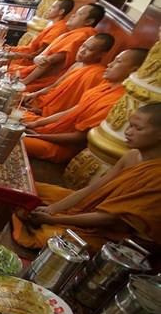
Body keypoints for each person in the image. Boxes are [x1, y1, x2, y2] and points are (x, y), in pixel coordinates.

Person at [12, 103, 161, 253]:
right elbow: (94, 189)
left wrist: (54, 219)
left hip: (115, 234)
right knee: (30, 188)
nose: (128, 132)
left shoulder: (156, 176)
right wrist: (52, 209)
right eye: (130, 126)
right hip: (92, 208)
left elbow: (110, 218)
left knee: (50, 237)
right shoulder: (132, 156)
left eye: (138, 128)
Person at [23, 48, 148, 163]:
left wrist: (39, 135)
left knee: (16, 139)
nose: (109, 65)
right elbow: (73, 110)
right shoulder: (104, 87)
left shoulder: (119, 102)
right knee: (10, 116)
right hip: (50, 129)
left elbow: (80, 137)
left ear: (134, 70)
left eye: (118, 62)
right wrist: (37, 124)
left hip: (60, 145)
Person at [14, 3, 106, 92]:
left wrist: (25, 81)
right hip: (35, 71)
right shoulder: (72, 33)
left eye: (79, 14)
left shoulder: (82, 36)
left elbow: (48, 61)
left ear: (89, 21)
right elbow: (41, 57)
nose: (72, 16)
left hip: (42, 80)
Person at [23, 33, 114, 119]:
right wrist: (35, 94)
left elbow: (78, 106)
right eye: (83, 46)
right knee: (16, 97)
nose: (81, 51)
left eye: (89, 49)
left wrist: (41, 111)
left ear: (101, 54)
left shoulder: (96, 75)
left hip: (53, 114)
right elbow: (54, 86)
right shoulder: (77, 64)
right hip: (45, 102)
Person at [8, 0, 74, 70]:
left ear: (61, 11)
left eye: (53, 7)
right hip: (26, 53)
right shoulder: (51, 24)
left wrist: (18, 55)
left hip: (32, 62)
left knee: (3, 63)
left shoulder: (59, 29)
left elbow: (42, 54)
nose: (49, 9)